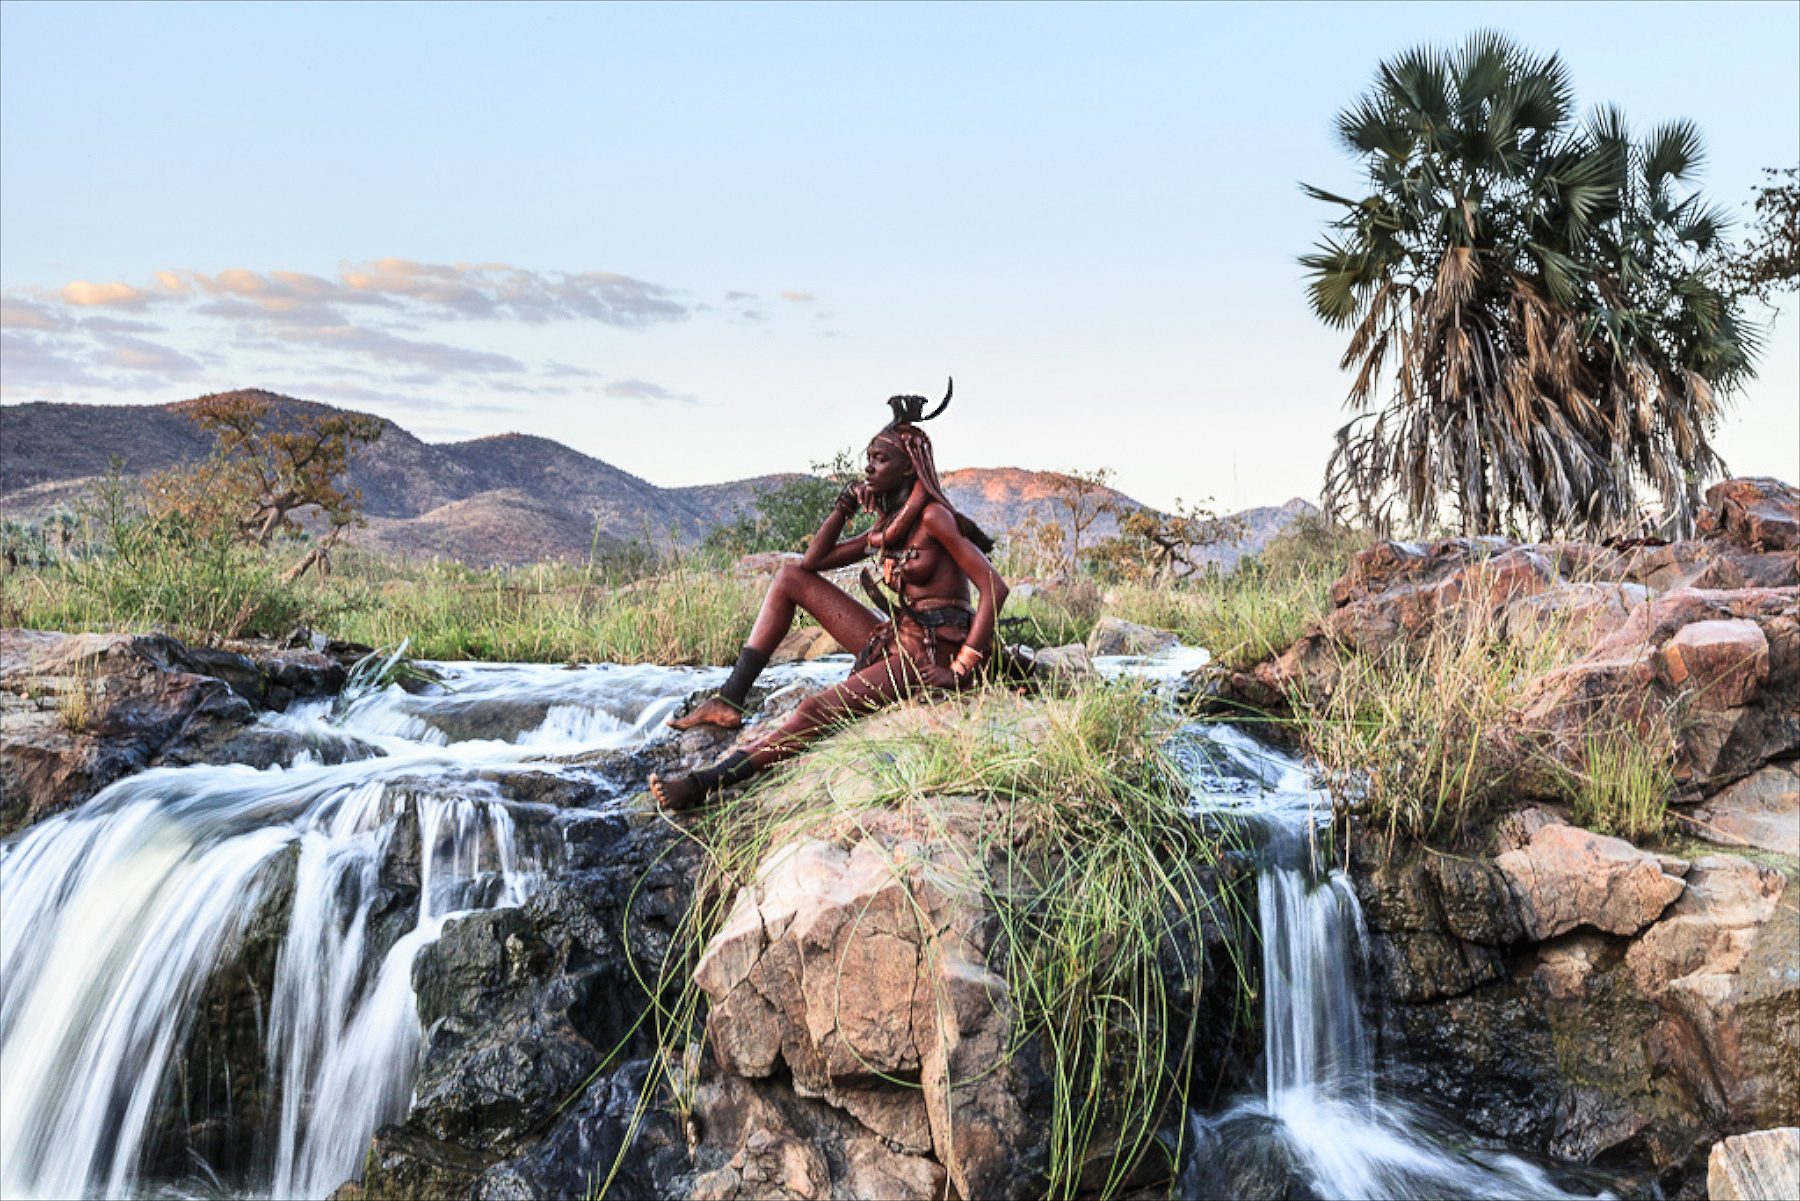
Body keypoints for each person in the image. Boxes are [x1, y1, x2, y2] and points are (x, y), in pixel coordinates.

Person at [649, 381, 1008, 811]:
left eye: (881, 460)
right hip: (898, 638)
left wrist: (962, 669)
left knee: (814, 709)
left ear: (910, 467)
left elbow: (993, 587)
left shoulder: (933, 517)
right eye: (868, 459)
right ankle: (729, 699)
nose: (870, 468)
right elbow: (813, 562)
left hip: (930, 655)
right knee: (788, 578)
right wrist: (844, 507)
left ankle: (704, 784)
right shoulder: (889, 525)